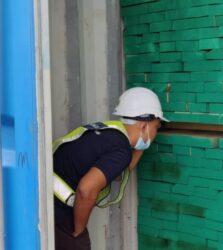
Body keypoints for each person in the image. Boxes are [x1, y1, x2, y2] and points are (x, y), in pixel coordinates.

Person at [53, 87, 168, 250]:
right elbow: (86, 190)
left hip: (43, 199)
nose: (156, 133)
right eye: (156, 127)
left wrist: (142, 146)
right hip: (59, 211)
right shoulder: (121, 150)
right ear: (143, 126)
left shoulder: (108, 134)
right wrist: (78, 230)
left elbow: (117, 173)